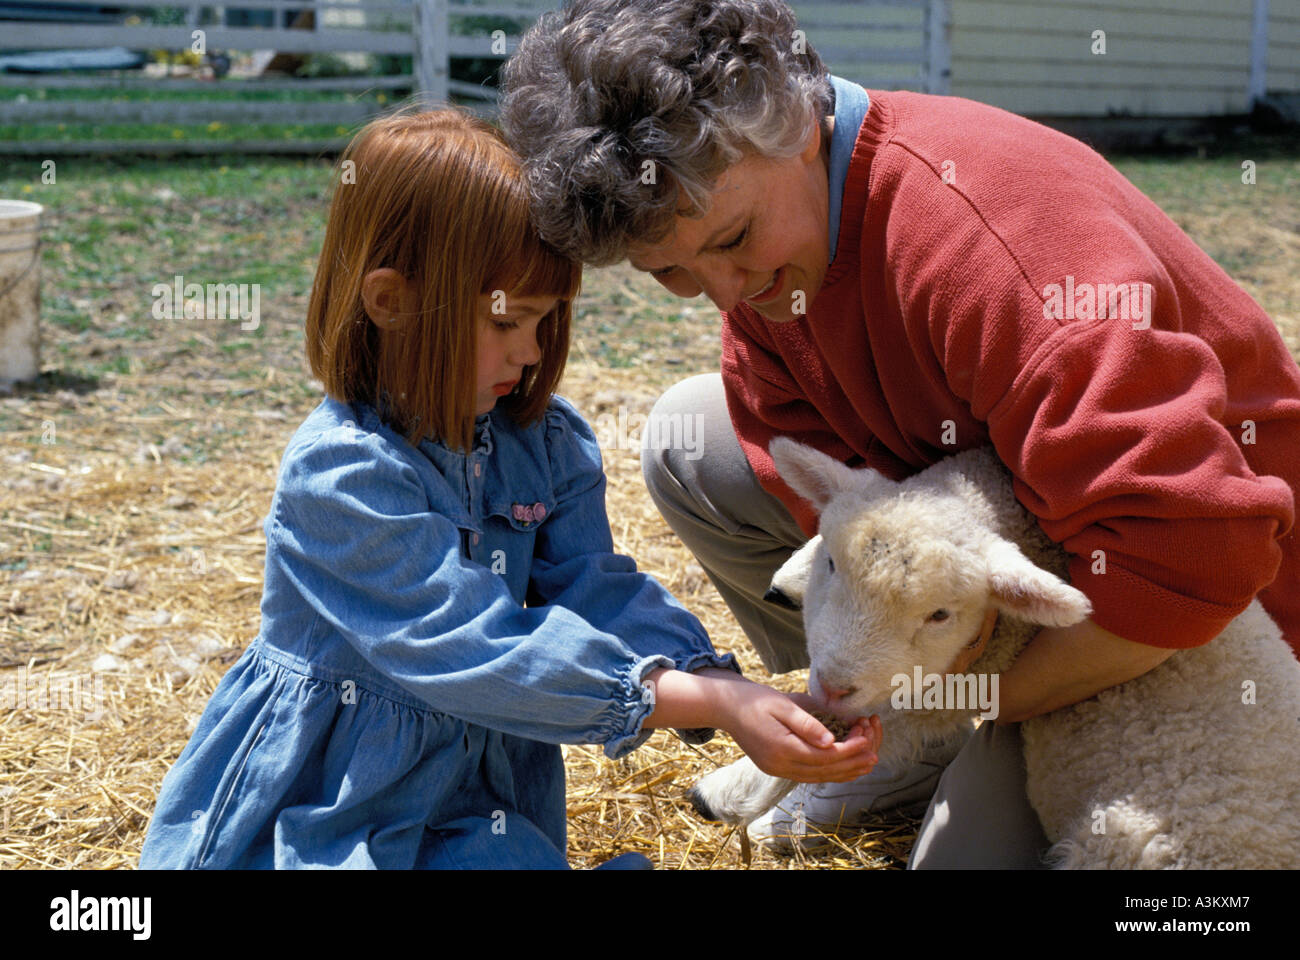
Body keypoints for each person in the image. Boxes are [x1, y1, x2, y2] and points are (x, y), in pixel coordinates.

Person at [499, 0, 1300, 867]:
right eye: (671, 273)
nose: (724, 295)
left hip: (1198, 615)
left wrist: (943, 700)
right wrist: (886, 673)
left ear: (796, 125)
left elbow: (1198, 553)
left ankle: (921, 734)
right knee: (692, 440)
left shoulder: (1001, 256)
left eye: (733, 239)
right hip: (991, 564)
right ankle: (890, 733)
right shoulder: (779, 246)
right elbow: (824, 482)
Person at [136, 107, 880, 870]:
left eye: (545, 322)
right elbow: (468, 647)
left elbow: (593, 586)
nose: (529, 354)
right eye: (507, 323)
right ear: (390, 302)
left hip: (472, 804)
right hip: (335, 802)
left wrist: (717, 681)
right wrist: (705, 704)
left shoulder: (542, 444)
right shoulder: (342, 475)